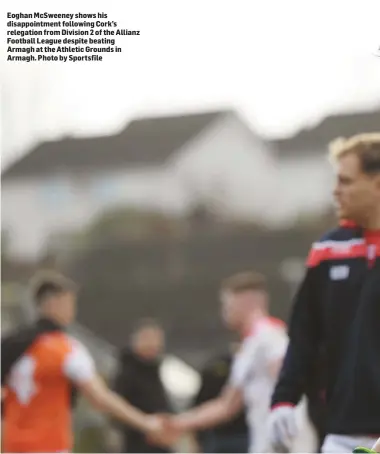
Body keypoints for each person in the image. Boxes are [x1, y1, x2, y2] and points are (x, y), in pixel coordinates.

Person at [269, 133, 380, 453]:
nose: (336, 191)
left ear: (377, 183)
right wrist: (284, 400)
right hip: (343, 431)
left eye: (346, 181)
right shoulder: (328, 250)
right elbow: (304, 333)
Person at [1, 271, 172, 453]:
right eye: (70, 304)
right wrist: (146, 422)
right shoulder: (65, 349)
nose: (72, 312)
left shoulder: (10, 345)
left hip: (14, 447)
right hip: (50, 446)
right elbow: (100, 397)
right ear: (55, 303)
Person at [165, 271, 289, 453]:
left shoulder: (270, 336)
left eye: (226, 304)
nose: (224, 312)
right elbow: (227, 405)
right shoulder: (250, 345)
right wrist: (177, 423)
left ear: (245, 302)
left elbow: (289, 381)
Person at [112, 318, 173, 453]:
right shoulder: (127, 372)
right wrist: (144, 424)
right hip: (137, 443)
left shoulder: (154, 369)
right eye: (148, 338)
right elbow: (115, 409)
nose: (153, 344)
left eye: (157, 339)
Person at [192, 345, 249, 453]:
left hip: (244, 434)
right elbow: (226, 406)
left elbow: (227, 407)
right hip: (219, 434)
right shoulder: (216, 365)